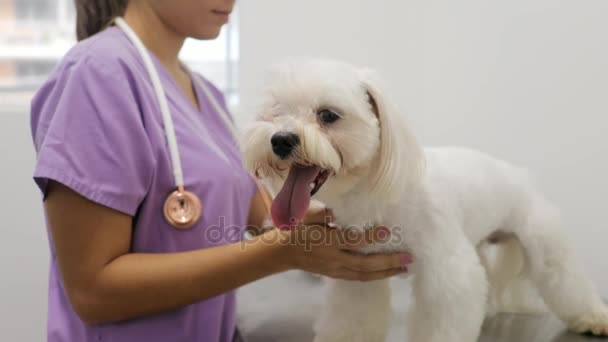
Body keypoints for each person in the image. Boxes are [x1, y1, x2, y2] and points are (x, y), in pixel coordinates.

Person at [30, 0, 414, 341]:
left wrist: (341, 221)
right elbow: (93, 292)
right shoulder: (97, 75)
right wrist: (280, 254)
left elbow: (267, 217)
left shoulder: (206, 95)